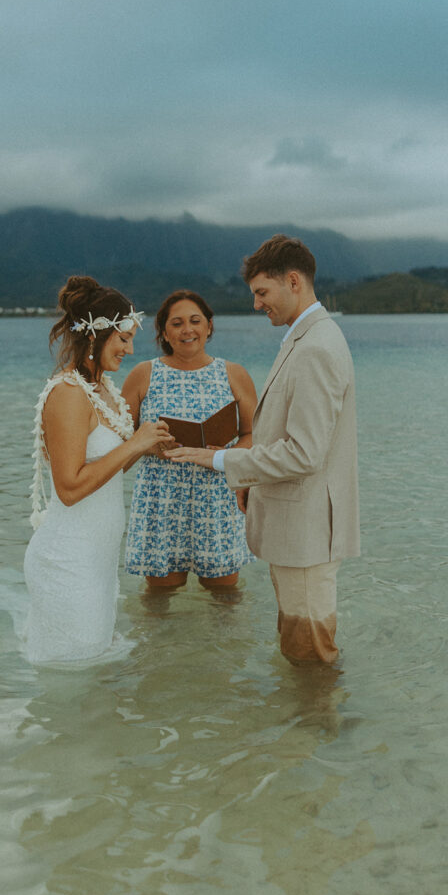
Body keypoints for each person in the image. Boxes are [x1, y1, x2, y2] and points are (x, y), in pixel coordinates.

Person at [167, 236, 359, 663]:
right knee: (301, 646)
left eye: (261, 293)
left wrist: (220, 459)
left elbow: (304, 454)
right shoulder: (305, 338)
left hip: (307, 533)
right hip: (299, 528)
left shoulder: (314, 348)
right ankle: (307, 725)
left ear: (293, 282)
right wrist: (250, 480)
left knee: (309, 654)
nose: (256, 305)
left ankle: (315, 728)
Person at [24, 275, 173, 662]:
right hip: (69, 560)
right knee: (74, 681)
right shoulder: (69, 395)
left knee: (92, 679)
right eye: (123, 338)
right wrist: (135, 442)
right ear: (95, 334)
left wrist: (145, 448)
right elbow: (70, 489)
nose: (130, 348)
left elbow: (105, 474)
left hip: (98, 559)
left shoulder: (103, 390)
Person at [122, 289, 258, 591]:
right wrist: (153, 446)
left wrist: (226, 455)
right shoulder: (143, 374)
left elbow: (252, 434)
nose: (187, 330)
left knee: (225, 596)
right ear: (164, 332)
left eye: (195, 321)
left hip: (217, 496)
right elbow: (121, 437)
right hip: (160, 497)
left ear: (209, 326)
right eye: (177, 323)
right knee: (159, 597)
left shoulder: (234, 373)